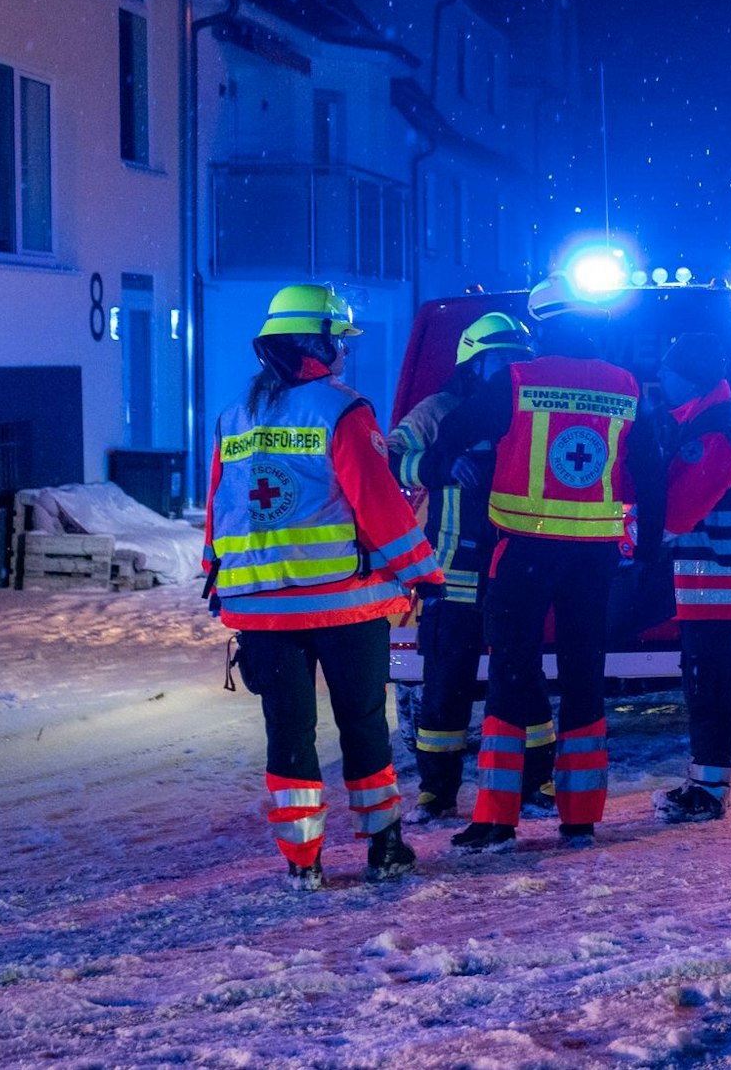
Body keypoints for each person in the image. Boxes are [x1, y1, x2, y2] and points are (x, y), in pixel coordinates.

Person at [203, 284, 442, 890]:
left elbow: (219, 510)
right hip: (343, 603)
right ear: (319, 342)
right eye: (340, 339)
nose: (344, 351)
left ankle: (301, 861)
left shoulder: (235, 415)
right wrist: (423, 574)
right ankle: (384, 847)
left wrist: (219, 579)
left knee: (288, 733)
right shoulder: (342, 410)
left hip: (259, 609)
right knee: (362, 722)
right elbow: (379, 504)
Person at [429, 273, 664, 852]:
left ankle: (497, 817)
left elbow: (451, 431)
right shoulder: (626, 385)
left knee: (511, 675)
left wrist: (444, 469)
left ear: (542, 326)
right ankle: (580, 816)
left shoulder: (517, 380)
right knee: (585, 677)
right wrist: (650, 552)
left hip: (524, 552)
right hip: (595, 559)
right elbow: (653, 476)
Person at [387, 311, 544, 822]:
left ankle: (535, 783)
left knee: (522, 680)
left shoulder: (530, 409)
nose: (511, 370)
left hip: (513, 569)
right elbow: (386, 459)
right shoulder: (438, 412)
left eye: (520, 360)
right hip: (452, 570)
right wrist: (437, 466)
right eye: (501, 359)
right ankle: (437, 793)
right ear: (474, 364)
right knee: (444, 686)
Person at [648, 335, 731, 823]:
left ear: (690, 377)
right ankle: (705, 785)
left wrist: (629, 532)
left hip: (717, 591)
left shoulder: (712, 436)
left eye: (668, 372)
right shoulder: (716, 420)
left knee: (710, 689)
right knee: (710, 686)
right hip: (723, 589)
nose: (661, 381)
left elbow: (676, 513)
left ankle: (709, 793)